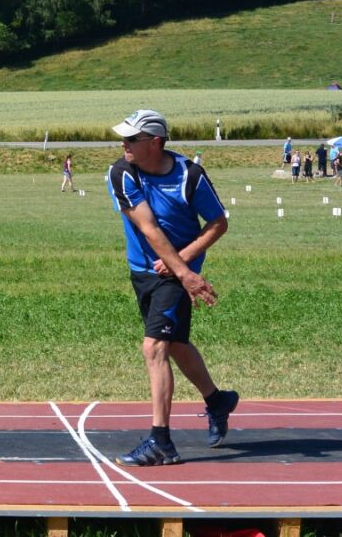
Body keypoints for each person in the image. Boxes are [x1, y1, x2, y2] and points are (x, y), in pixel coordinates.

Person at [107, 109, 238, 467]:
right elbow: (148, 228)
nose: (123, 145)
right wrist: (184, 270)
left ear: (155, 142)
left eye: (131, 139)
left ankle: (161, 441)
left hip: (176, 277)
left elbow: (218, 222)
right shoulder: (121, 173)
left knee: (155, 347)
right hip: (145, 273)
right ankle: (218, 401)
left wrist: (184, 268)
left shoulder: (190, 175)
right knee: (176, 344)